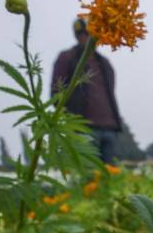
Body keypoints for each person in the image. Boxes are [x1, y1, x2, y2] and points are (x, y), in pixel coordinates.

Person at [52, 17, 123, 165]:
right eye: (81, 35)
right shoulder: (67, 57)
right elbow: (56, 92)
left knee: (109, 176)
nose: (86, 38)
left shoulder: (105, 63)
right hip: (83, 128)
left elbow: (111, 89)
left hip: (109, 127)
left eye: (89, 33)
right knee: (88, 175)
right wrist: (71, 122)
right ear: (77, 37)